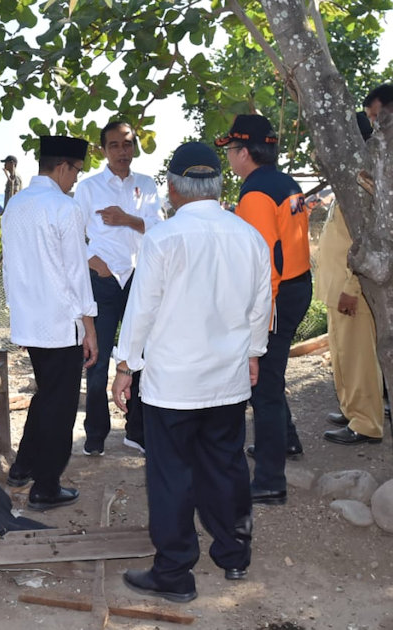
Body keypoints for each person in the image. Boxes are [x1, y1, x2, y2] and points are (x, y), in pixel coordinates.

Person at [111, 142, 272, 603]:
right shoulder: (249, 237)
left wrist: (125, 365)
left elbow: (141, 311)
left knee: (171, 476)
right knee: (226, 465)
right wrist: (254, 352)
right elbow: (261, 307)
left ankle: (175, 573)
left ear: (174, 188)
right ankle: (234, 555)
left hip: (173, 385)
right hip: (227, 379)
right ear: (220, 186)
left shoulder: (163, 238)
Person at [216, 114, 312, 506]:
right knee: (271, 372)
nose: (229, 159)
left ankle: (270, 479)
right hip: (299, 285)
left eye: (231, 151)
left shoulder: (254, 193)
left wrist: (257, 314)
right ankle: (284, 440)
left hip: (274, 294)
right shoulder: (286, 182)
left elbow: (261, 263)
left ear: (245, 152)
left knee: (265, 387)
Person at [0, 135, 98, 511]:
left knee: (47, 395)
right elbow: (77, 274)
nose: (75, 180)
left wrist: (20, 320)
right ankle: (47, 485)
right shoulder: (64, 207)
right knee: (60, 405)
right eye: (75, 172)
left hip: (32, 321)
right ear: (63, 167)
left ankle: (23, 465)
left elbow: (11, 270)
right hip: (60, 322)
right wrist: (89, 328)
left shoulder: (16, 205)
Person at [70, 121, 163, 455]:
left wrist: (128, 219)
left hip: (141, 279)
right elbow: (72, 236)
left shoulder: (147, 185)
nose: (123, 151)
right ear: (103, 150)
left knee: (143, 357)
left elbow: (158, 229)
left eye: (128, 144)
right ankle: (95, 436)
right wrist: (94, 263)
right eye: (115, 145)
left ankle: (136, 431)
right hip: (104, 282)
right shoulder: (88, 188)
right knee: (96, 360)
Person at [318, 98, 392, 446]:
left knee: (359, 357)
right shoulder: (349, 176)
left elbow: (364, 239)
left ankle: (367, 423)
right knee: (343, 353)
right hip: (337, 285)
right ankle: (351, 410)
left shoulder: (363, 179)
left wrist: (350, 285)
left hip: (353, 287)